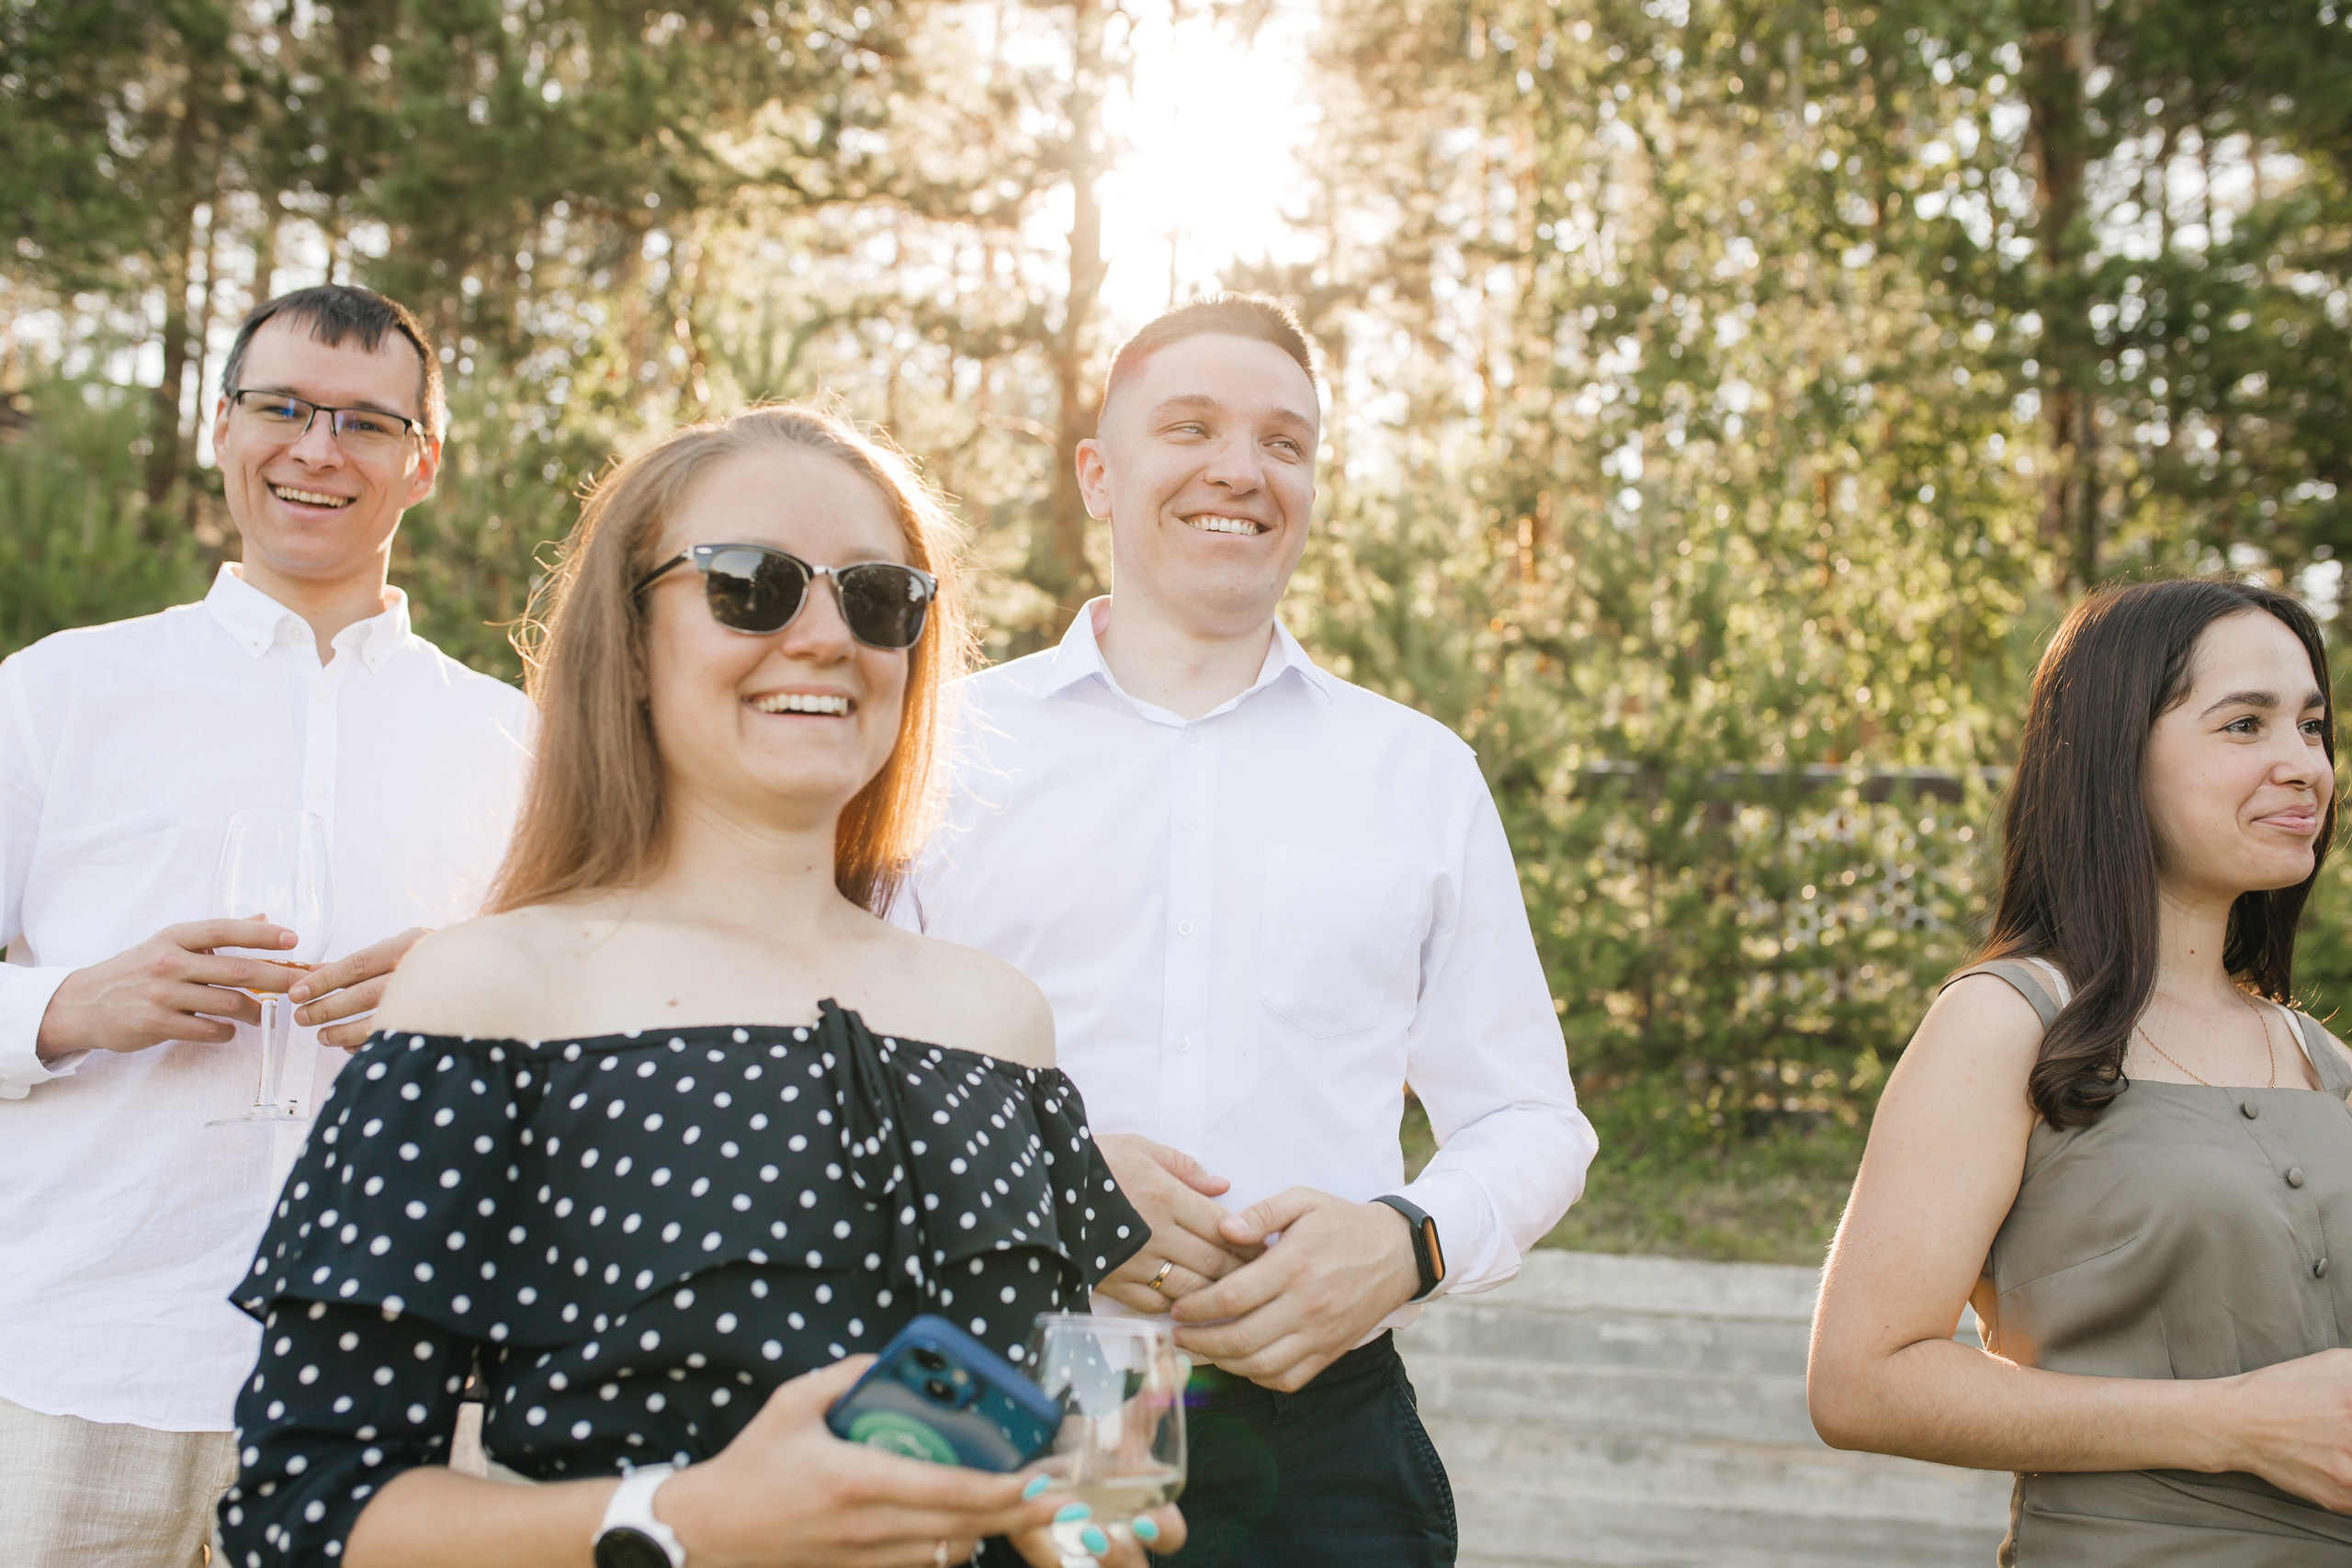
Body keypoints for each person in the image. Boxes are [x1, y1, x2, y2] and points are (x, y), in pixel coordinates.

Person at [216, 403, 1185, 1568]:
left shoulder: (1000, 1019)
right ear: (628, 643)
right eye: (751, 583)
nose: (828, 635)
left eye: (878, 595)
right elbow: (304, 1515)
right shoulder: (492, 994)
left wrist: (1076, 1509)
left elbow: (1064, 1437)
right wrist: (681, 1522)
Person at [892, 295, 1597, 1564]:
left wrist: (1406, 1238)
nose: (1241, 467)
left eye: (1286, 440)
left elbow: (1531, 1117)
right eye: (1191, 426)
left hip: (1318, 1434)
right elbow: (839, 1081)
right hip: (1012, 1389)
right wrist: (1043, 1185)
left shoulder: (1419, 773)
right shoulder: (943, 752)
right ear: (1099, 475)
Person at [0, 285, 531, 1564]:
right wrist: (62, 1006)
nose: (314, 448)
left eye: (361, 420)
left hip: (388, 1390)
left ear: (423, 462)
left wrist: (477, 1001)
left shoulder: (520, 743)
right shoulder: (60, 690)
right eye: (281, 407)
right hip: (77, 1366)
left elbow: (589, 1046)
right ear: (222, 426)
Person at [1808, 578, 2352, 1562]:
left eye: (2312, 727)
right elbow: (1860, 1381)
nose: (2302, 766)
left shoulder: (2324, 1062)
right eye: (2244, 724)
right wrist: (2233, 1425)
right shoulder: (2005, 1024)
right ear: (2113, 760)